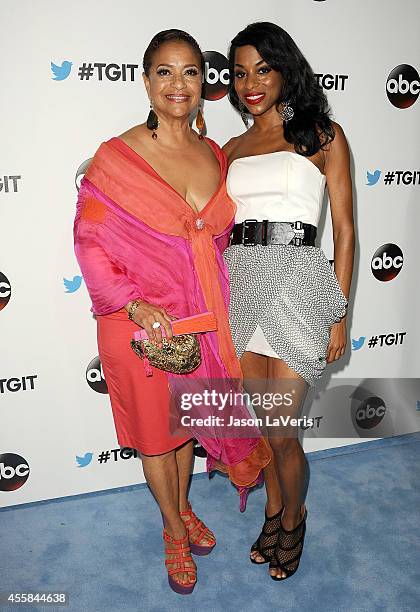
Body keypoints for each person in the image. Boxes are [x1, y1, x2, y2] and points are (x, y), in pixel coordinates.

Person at [73, 29, 270, 595]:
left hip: (200, 325)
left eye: (190, 72)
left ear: (201, 83)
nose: (178, 84)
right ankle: (172, 532)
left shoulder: (213, 152)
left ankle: (181, 508)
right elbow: (89, 242)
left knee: (183, 430)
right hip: (137, 323)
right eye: (165, 71)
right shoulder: (117, 156)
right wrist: (133, 305)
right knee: (157, 437)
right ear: (146, 80)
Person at [223, 22, 355, 580]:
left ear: (284, 68)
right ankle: (274, 511)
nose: (250, 83)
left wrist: (338, 313)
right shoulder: (230, 147)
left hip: (299, 287)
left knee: (283, 431)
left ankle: (294, 518)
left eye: (262, 68)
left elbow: (345, 232)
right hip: (242, 284)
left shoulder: (322, 135)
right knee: (264, 427)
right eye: (239, 72)